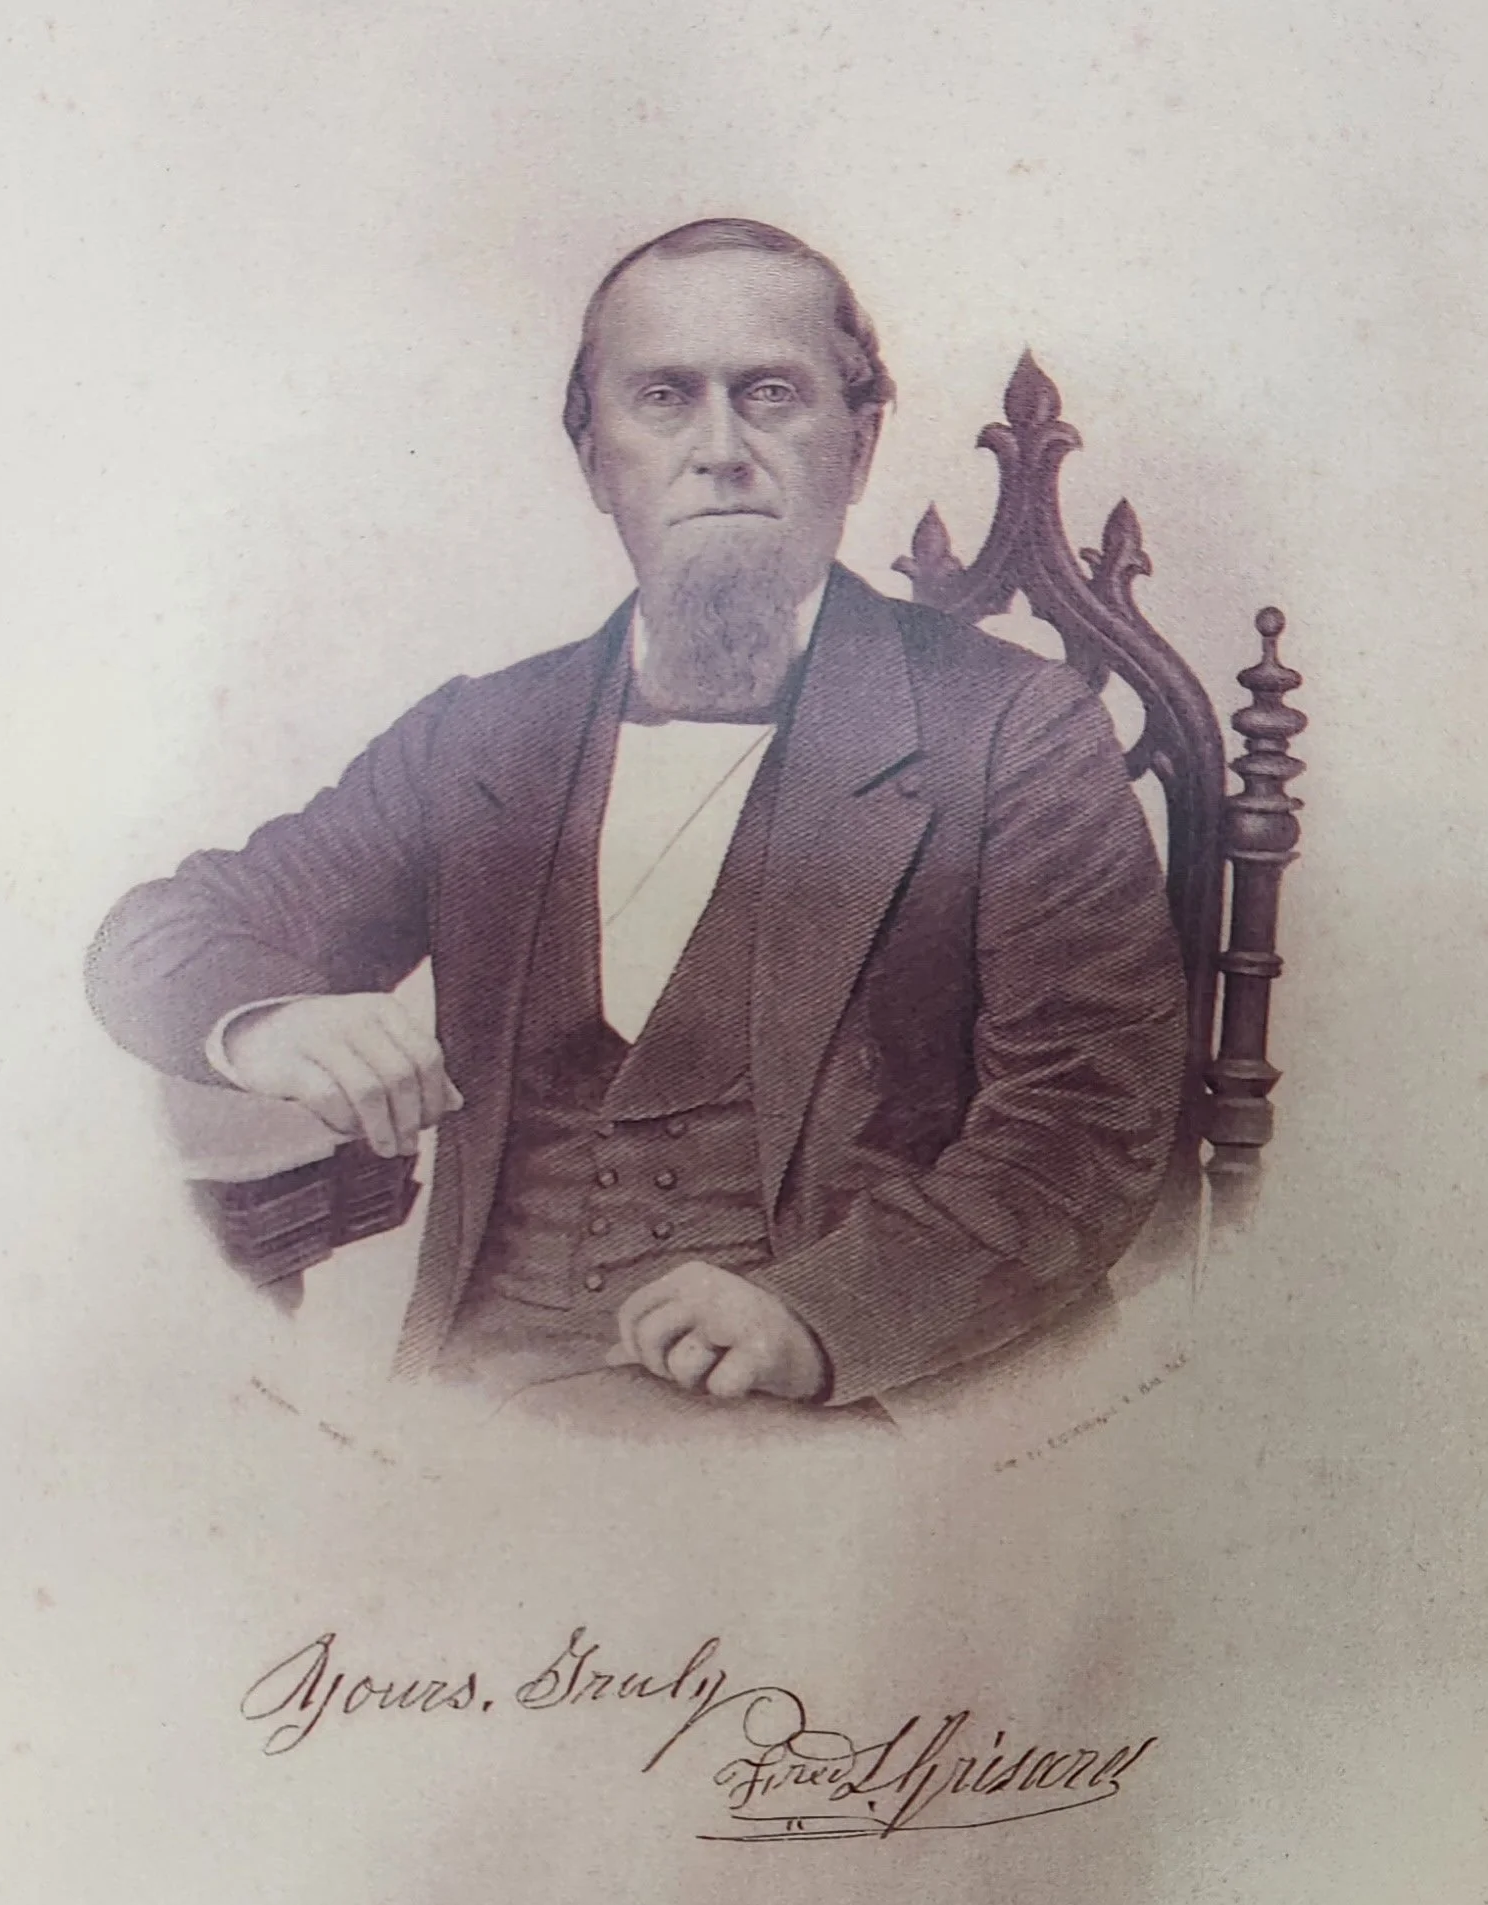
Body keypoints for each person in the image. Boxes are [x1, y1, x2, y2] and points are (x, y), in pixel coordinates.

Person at [86, 218, 1187, 1411]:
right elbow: (162, 930)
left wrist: (819, 1316)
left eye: (772, 394)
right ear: (593, 457)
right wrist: (266, 1021)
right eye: (663, 398)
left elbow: (1085, 1123)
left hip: (840, 1412)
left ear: (859, 443)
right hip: (487, 1383)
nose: (721, 449)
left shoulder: (1012, 729)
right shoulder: (479, 737)